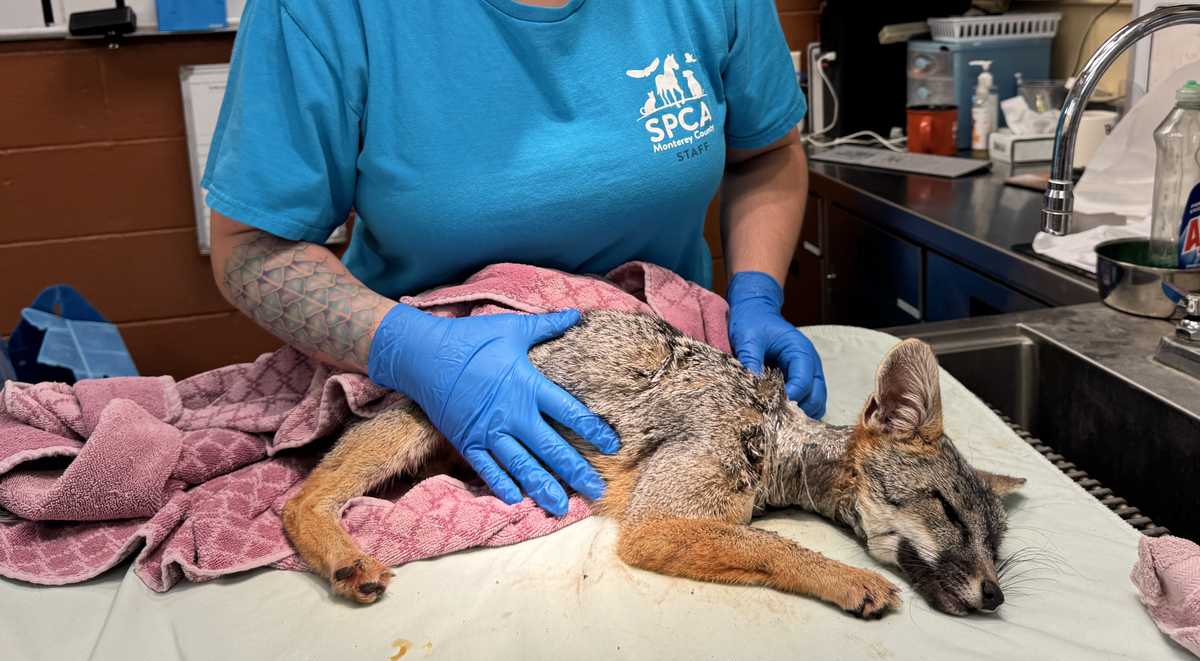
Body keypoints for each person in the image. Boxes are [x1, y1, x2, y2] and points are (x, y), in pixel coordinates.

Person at [204, 0, 826, 519]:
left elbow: (766, 155)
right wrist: (413, 351)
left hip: (659, 392)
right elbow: (253, 248)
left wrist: (755, 293)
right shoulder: (327, 11)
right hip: (427, 389)